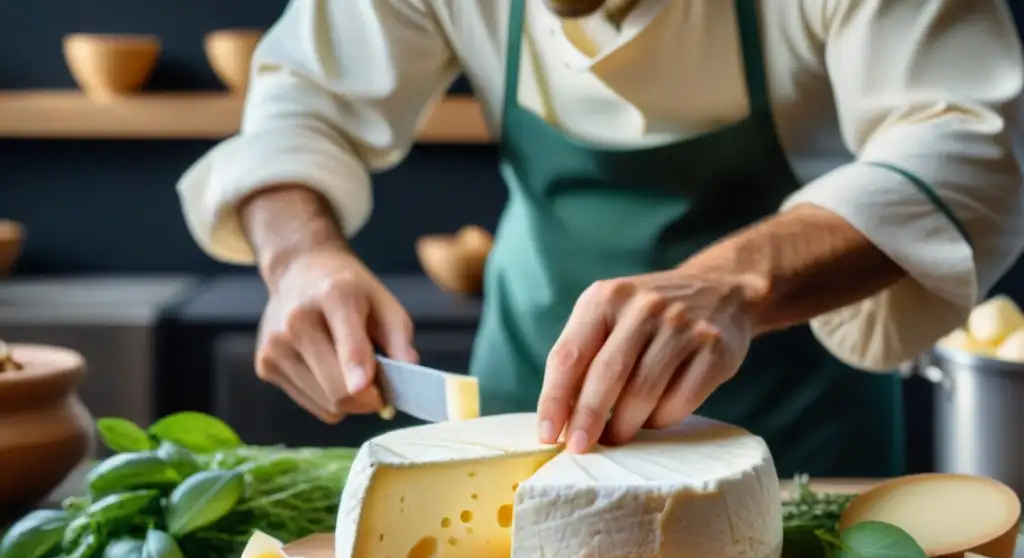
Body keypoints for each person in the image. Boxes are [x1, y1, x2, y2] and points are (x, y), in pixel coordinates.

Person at [177, 0, 1024, 478]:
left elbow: (969, 143)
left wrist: (733, 284)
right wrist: (300, 258)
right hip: (523, 421)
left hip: (802, 443)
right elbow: (300, 102)